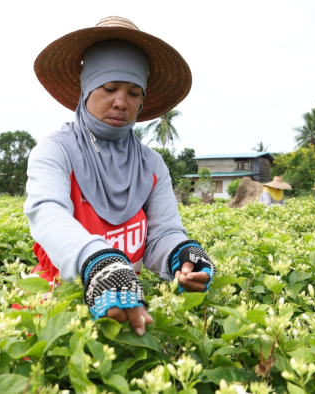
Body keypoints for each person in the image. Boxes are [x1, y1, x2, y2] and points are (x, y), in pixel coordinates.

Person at [24, 17, 215, 336]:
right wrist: (98, 262)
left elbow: (162, 233)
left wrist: (183, 256)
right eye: (109, 88)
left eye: (134, 92)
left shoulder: (151, 165)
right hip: (53, 310)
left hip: (128, 305)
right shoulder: (56, 151)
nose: (121, 102)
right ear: (86, 88)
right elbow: (48, 214)